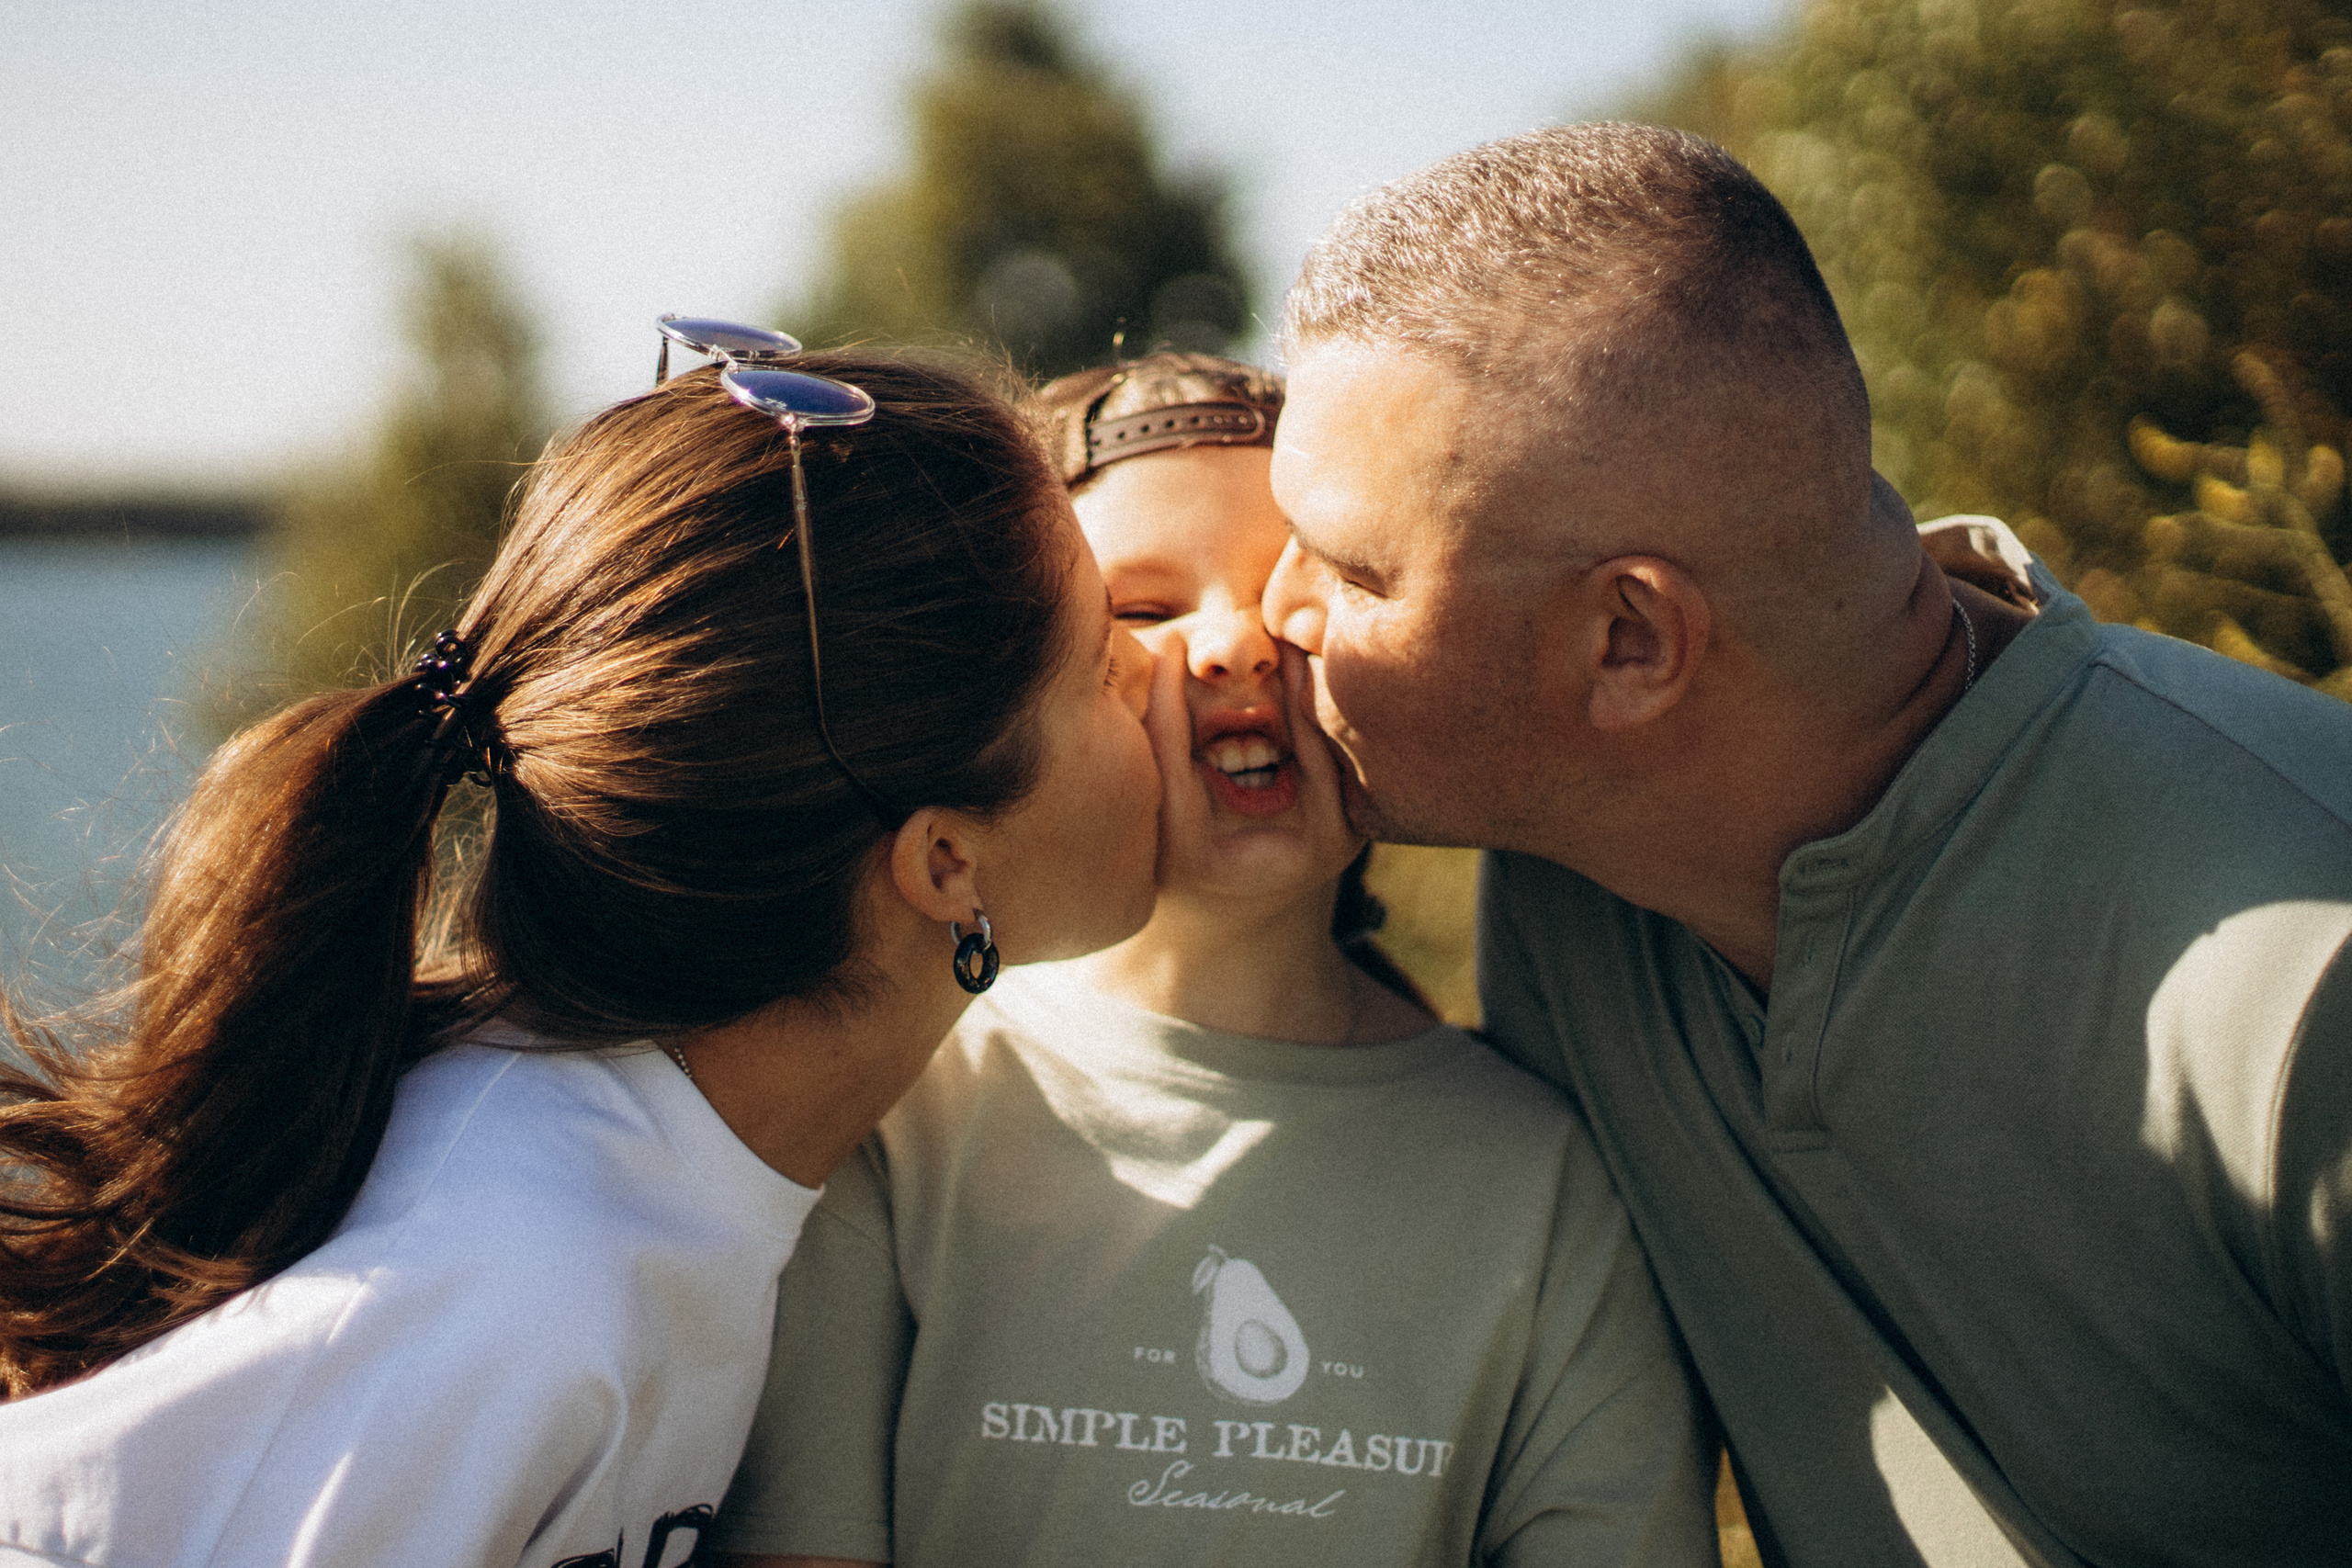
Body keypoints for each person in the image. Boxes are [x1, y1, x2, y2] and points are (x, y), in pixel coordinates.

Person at [1260, 120, 2352, 1565]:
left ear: (1630, 642)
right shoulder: (1566, 868)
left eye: (1349, 568)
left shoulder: (2309, 977)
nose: (1273, 610)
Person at [0, 336, 1163, 1568]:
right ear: (944, 866)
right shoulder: (513, 1286)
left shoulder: (669, 1173)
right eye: (1102, 659)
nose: (1159, 666)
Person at [707, 354, 1717, 1568]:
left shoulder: (1550, 1186)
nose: (1237, 644)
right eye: (1136, 612)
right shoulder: (899, 1105)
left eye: (1303, 592)